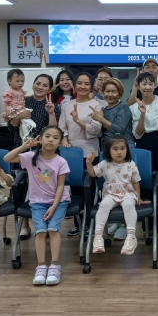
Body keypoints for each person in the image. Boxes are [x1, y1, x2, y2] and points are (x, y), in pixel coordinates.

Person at [4, 126, 70, 286]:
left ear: (60, 142)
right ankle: (41, 266)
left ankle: (54, 265)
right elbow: (7, 158)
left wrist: (54, 206)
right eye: (47, 136)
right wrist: (25, 146)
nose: (51, 140)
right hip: (38, 202)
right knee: (40, 231)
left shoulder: (61, 161)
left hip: (58, 201)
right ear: (40, 138)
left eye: (55, 138)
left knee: (53, 229)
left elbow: (61, 186)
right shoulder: (30, 156)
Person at [7, 73, 60, 240]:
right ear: (33, 84)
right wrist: (19, 116)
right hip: (22, 149)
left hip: (43, 154)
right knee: (21, 186)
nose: (40, 87)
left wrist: (51, 113)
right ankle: (25, 225)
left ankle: (46, 222)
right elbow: (11, 126)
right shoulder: (22, 101)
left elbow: (54, 131)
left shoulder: (53, 106)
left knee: (45, 186)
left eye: (45, 85)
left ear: (50, 89)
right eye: (38, 83)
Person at [85, 135, 150, 255]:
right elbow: (93, 173)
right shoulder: (105, 163)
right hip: (110, 194)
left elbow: (136, 182)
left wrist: (138, 197)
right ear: (109, 151)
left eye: (122, 148)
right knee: (103, 206)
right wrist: (89, 163)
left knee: (128, 205)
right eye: (115, 149)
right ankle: (98, 236)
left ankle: (131, 236)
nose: (119, 152)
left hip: (128, 193)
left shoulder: (131, 164)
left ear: (127, 150)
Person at [89, 78, 135, 240]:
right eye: (107, 91)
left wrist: (100, 118)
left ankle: (124, 224)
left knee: (124, 185)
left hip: (123, 149)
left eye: (113, 91)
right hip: (108, 150)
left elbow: (119, 130)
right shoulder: (103, 109)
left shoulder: (123, 107)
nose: (110, 94)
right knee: (112, 186)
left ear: (120, 93)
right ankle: (118, 221)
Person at [58, 72, 103, 237]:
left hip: (90, 153)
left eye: (86, 83)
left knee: (90, 190)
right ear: (74, 85)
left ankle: (91, 225)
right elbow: (62, 127)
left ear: (91, 87)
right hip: (71, 154)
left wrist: (78, 121)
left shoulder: (96, 105)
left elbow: (96, 130)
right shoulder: (67, 105)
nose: (82, 86)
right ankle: (79, 224)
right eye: (79, 83)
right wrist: (64, 139)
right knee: (75, 190)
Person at [130, 72, 158, 171]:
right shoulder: (133, 108)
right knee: (144, 172)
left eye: (150, 84)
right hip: (143, 142)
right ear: (138, 86)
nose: (147, 87)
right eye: (144, 84)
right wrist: (142, 114)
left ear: (155, 86)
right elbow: (138, 134)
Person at [1, 68, 36, 142]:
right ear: (9, 81)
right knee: (25, 120)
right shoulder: (9, 91)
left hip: (20, 108)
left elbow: (22, 97)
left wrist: (29, 96)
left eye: (22, 81)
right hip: (14, 110)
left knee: (23, 123)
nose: (21, 83)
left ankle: (25, 136)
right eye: (18, 81)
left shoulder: (20, 90)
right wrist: (4, 112)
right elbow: (5, 102)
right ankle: (26, 135)